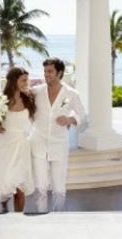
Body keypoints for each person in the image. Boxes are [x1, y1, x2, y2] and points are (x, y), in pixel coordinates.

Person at [29, 57, 86, 212]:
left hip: (59, 144)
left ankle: (58, 219)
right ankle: (41, 218)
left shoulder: (71, 93)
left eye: (50, 71)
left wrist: (69, 119)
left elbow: (82, 114)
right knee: (40, 186)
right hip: (38, 142)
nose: (46, 74)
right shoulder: (36, 92)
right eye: (45, 71)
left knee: (59, 187)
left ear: (59, 73)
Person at [0, 67, 36, 213]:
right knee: (6, 184)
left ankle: (18, 219)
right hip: (5, 145)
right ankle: (3, 200)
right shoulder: (0, 101)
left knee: (19, 186)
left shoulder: (29, 97)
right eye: (23, 80)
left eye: (27, 80)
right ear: (13, 81)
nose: (26, 83)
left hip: (22, 144)